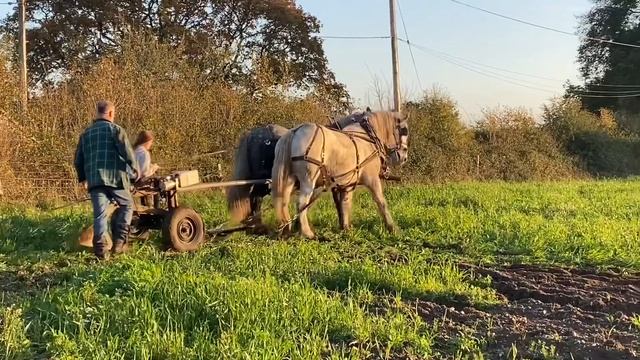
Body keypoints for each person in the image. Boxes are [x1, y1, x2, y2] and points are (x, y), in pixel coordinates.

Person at [74, 100, 138, 260]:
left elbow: (78, 160)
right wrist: (135, 170)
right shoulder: (115, 130)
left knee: (100, 216)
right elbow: (128, 152)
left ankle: (101, 252)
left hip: (95, 181)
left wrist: (83, 178)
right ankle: (119, 242)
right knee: (127, 205)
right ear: (110, 113)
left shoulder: (86, 134)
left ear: (97, 112)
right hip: (115, 179)